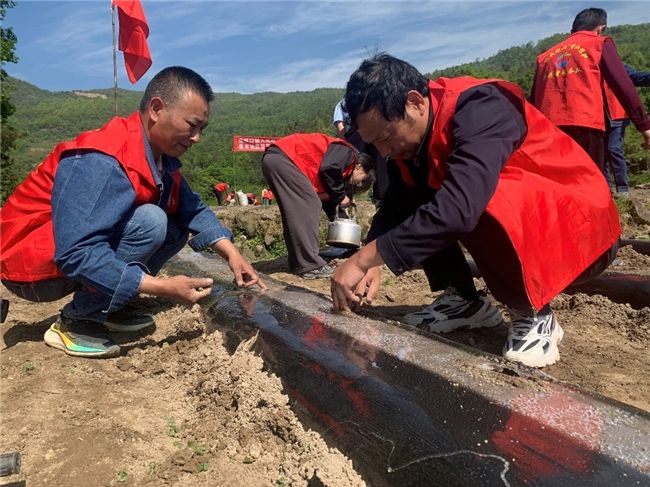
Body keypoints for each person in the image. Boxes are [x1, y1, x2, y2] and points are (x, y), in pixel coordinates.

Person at [330, 53, 623, 368]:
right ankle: (466, 301)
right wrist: (371, 260)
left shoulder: (481, 106)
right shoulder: (415, 141)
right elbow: (398, 204)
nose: (384, 151)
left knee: (468, 198)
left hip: (582, 228)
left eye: (386, 137)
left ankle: (534, 313)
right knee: (420, 188)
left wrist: (363, 259)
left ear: (414, 102)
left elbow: (460, 208)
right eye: (374, 144)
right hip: (545, 226)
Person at [0, 67, 266, 358]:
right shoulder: (103, 158)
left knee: (175, 225)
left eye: (202, 129)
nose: (196, 138)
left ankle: (110, 304)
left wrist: (232, 254)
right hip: (30, 267)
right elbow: (75, 252)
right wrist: (163, 287)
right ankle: (77, 321)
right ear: (156, 109)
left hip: (61, 255)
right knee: (151, 221)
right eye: (192, 125)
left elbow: (192, 207)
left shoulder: (161, 159)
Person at [530, 8, 650, 173]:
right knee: (589, 180)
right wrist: (644, 125)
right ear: (601, 28)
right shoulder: (599, 43)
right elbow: (623, 85)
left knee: (560, 182)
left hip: (549, 130)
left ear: (573, 29)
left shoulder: (545, 57)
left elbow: (534, 99)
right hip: (585, 124)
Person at [261, 133, 374, 280]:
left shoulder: (338, 170)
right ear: (359, 166)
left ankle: (299, 262)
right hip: (285, 159)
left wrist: (344, 226)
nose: (357, 184)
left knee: (295, 212)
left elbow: (329, 201)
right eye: (362, 179)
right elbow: (329, 168)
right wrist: (341, 196)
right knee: (309, 204)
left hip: (276, 160)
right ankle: (311, 265)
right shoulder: (349, 153)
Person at [333, 98, 389, 207]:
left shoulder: (342, 104)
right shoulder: (346, 103)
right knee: (377, 163)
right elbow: (341, 129)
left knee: (353, 165)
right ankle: (380, 197)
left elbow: (341, 130)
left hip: (360, 133)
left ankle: (347, 197)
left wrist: (344, 148)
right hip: (369, 132)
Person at [605, 65, 650, 196]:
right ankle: (606, 190)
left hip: (617, 114)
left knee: (613, 149)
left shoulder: (616, 66)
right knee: (601, 154)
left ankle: (622, 189)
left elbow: (635, 77)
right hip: (595, 116)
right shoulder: (586, 66)